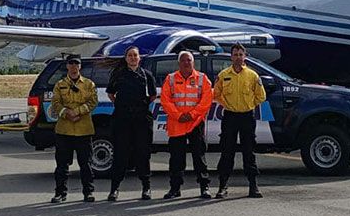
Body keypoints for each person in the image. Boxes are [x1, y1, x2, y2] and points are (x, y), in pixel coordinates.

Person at [213, 43, 266, 199]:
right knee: (226, 152)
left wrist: (249, 105)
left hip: (247, 117)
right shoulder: (223, 75)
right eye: (235, 54)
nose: (237, 57)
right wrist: (227, 104)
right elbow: (216, 94)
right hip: (230, 117)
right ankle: (222, 186)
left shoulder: (252, 75)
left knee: (249, 152)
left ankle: (253, 185)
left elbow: (260, 96)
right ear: (231, 57)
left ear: (245, 56)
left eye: (240, 54)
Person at [105, 46, 157, 201]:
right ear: (126, 58)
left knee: (143, 154)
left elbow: (153, 95)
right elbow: (110, 93)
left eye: (135, 55)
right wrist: (122, 105)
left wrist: (141, 105)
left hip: (141, 119)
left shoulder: (147, 75)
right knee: (120, 154)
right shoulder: (119, 74)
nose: (133, 58)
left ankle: (146, 187)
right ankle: (114, 189)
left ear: (139, 58)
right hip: (122, 119)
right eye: (130, 55)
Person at [160, 51, 213, 199]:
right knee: (176, 159)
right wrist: (178, 115)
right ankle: (175, 188)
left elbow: (206, 101)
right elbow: (165, 100)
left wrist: (191, 115)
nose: (186, 63)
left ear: (193, 62)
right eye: (183, 60)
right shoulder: (170, 79)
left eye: (189, 60)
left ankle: (204, 187)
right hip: (177, 124)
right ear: (179, 63)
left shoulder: (202, 79)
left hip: (195, 123)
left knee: (199, 157)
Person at [49, 55, 98, 203]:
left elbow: (93, 101)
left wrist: (77, 112)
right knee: (62, 165)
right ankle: (60, 193)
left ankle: (88, 192)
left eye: (76, 63)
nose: (74, 66)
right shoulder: (60, 85)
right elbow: (55, 103)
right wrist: (67, 113)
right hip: (64, 130)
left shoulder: (89, 84)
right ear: (67, 66)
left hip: (84, 129)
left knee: (86, 164)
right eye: (71, 63)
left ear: (80, 66)